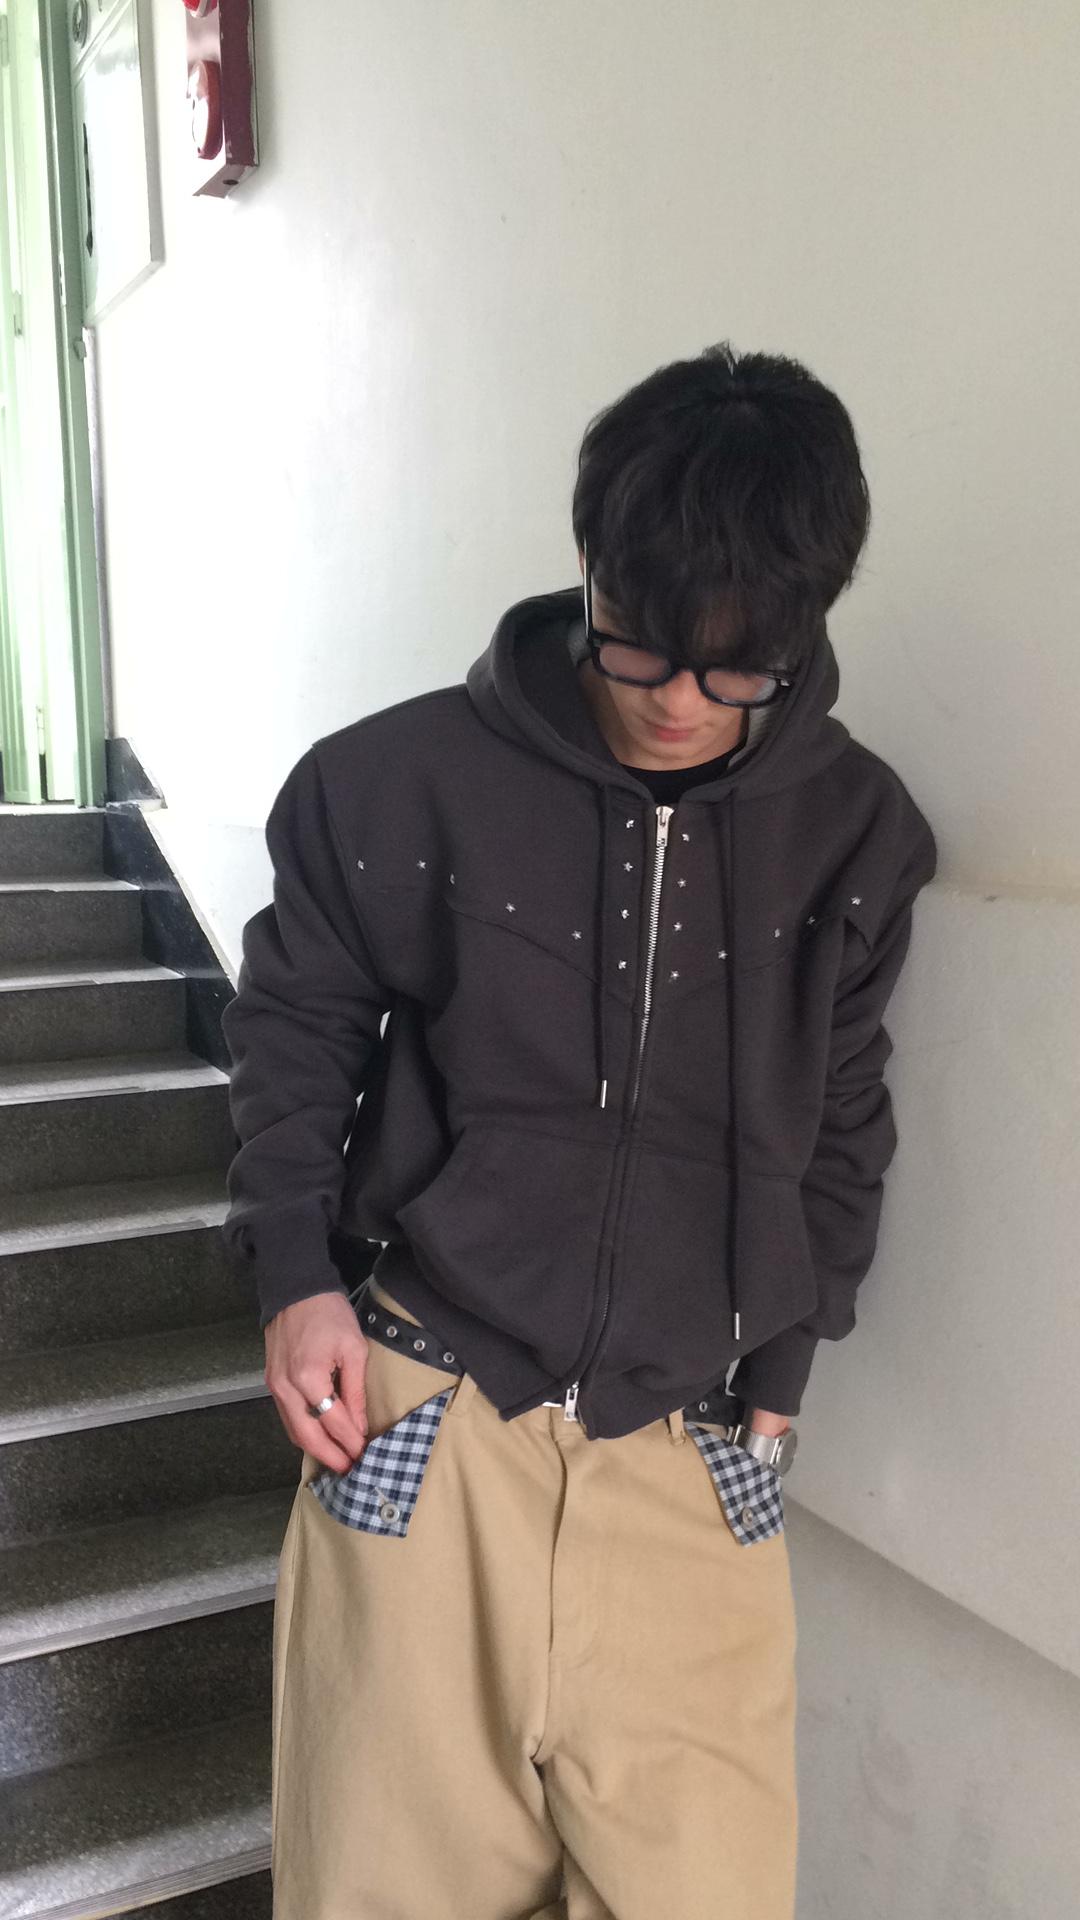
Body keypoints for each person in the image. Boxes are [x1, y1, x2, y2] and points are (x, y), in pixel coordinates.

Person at [221, 342, 937, 1920]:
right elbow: (294, 1034)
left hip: (691, 1442)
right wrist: (296, 1278)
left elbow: (845, 1119)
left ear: (809, 627)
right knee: (381, 1893)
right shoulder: (392, 783)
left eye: (736, 669)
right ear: (591, 570)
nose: (679, 700)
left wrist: (778, 1392)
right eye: (644, 644)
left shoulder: (858, 835)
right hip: (428, 1418)